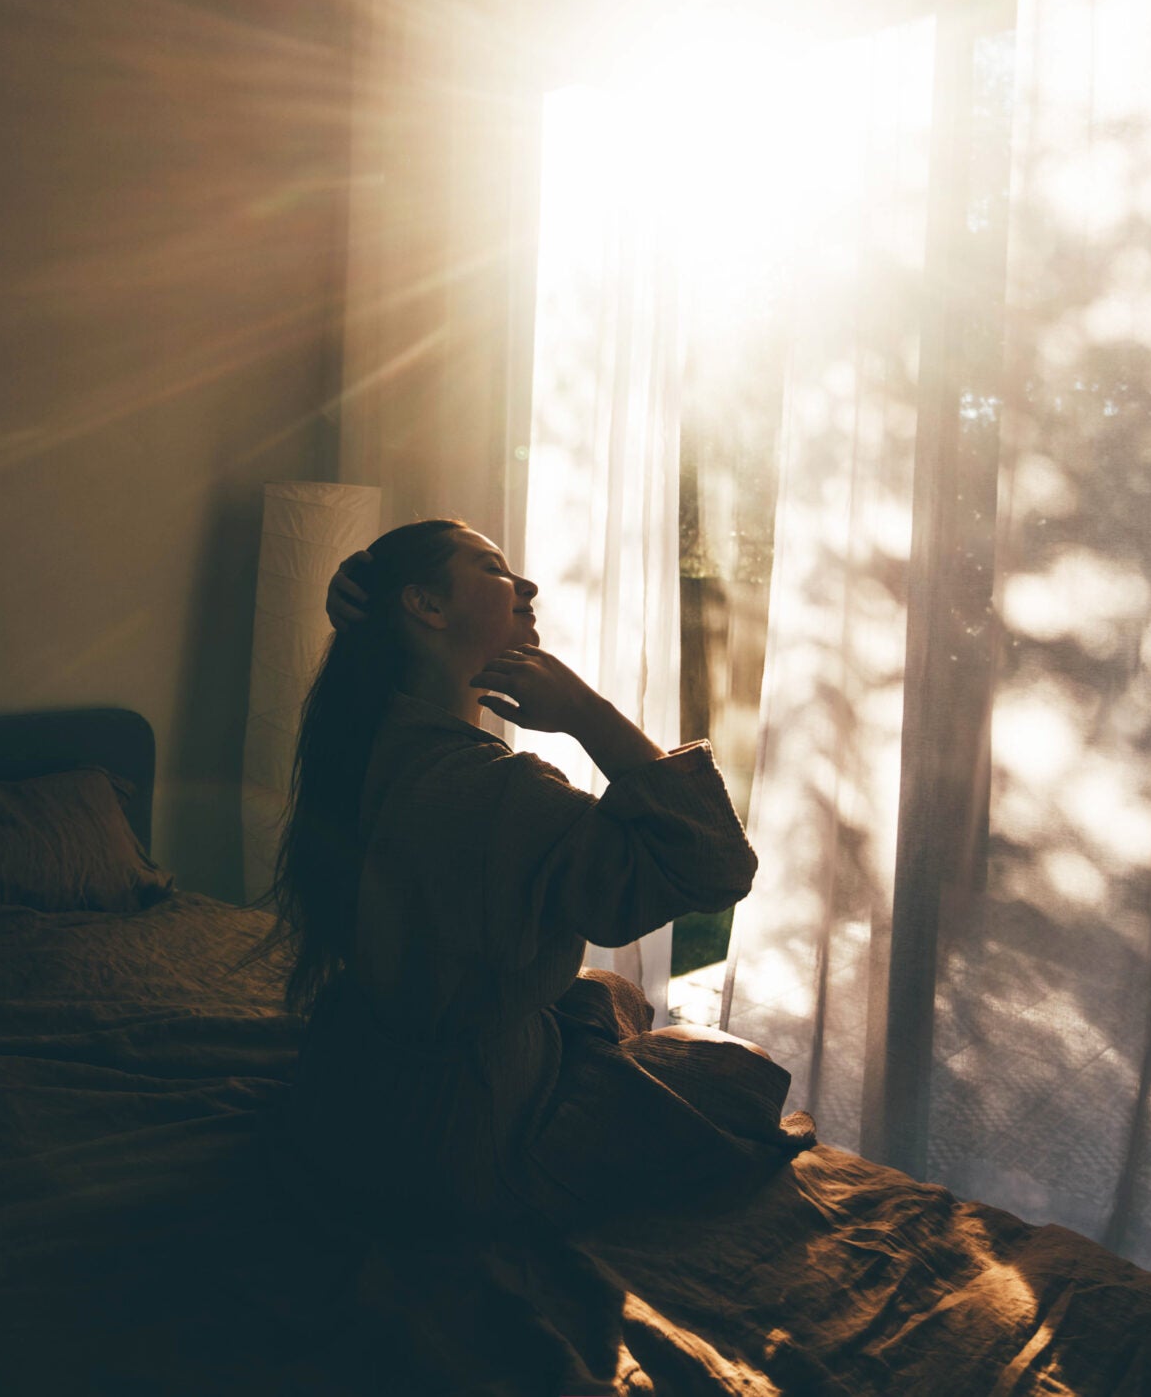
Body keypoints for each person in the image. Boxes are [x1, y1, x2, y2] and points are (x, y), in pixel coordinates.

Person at [263, 518, 813, 1243]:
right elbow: (716, 865)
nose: (526, 586)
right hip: (460, 1143)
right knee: (743, 1071)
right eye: (494, 568)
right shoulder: (492, 791)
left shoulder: (366, 740)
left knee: (605, 991)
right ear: (426, 606)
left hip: (356, 1087)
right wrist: (588, 714)